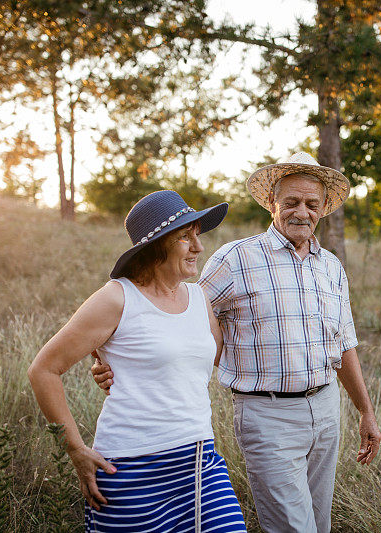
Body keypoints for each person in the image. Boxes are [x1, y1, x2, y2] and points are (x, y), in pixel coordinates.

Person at [93, 152, 381, 533]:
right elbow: (169, 310)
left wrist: (365, 410)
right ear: (272, 203)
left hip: (326, 409)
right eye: (291, 202)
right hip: (268, 415)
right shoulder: (236, 259)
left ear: (324, 208)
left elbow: (344, 343)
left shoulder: (330, 266)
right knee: (295, 528)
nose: (302, 212)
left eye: (312, 204)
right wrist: (107, 356)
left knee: (320, 522)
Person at [27, 190, 247, 533]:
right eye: (185, 237)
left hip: (200, 461)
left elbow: (216, 359)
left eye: (197, 235)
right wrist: (75, 449)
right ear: (155, 246)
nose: (198, 247)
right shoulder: (116, 298)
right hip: (131, 467)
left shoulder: (199, 297)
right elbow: (43, 370)